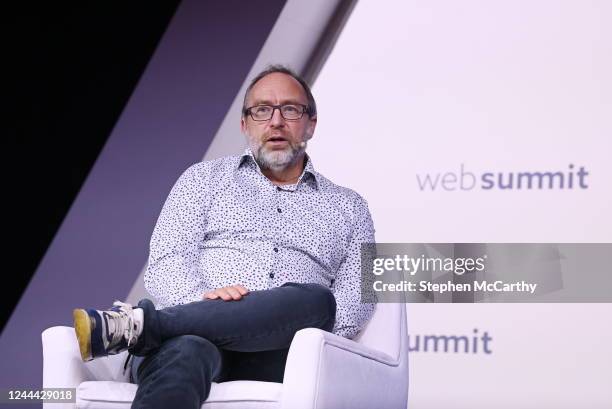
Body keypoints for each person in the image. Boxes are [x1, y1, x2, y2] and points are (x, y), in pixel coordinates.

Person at [72, 64, 375, 409]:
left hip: (283, 355)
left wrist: (278, 328)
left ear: (310, 124)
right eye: (262, 110)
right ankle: (162, 328)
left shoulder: (350, 206)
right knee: (187, 349)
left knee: (319, 301)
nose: (276, 121)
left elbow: (358, 299)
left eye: (290, 109)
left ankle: (142, 325)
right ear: (245, 124)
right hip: (186, 341)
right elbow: (166, 262)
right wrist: (205, 300)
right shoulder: (203, 179)